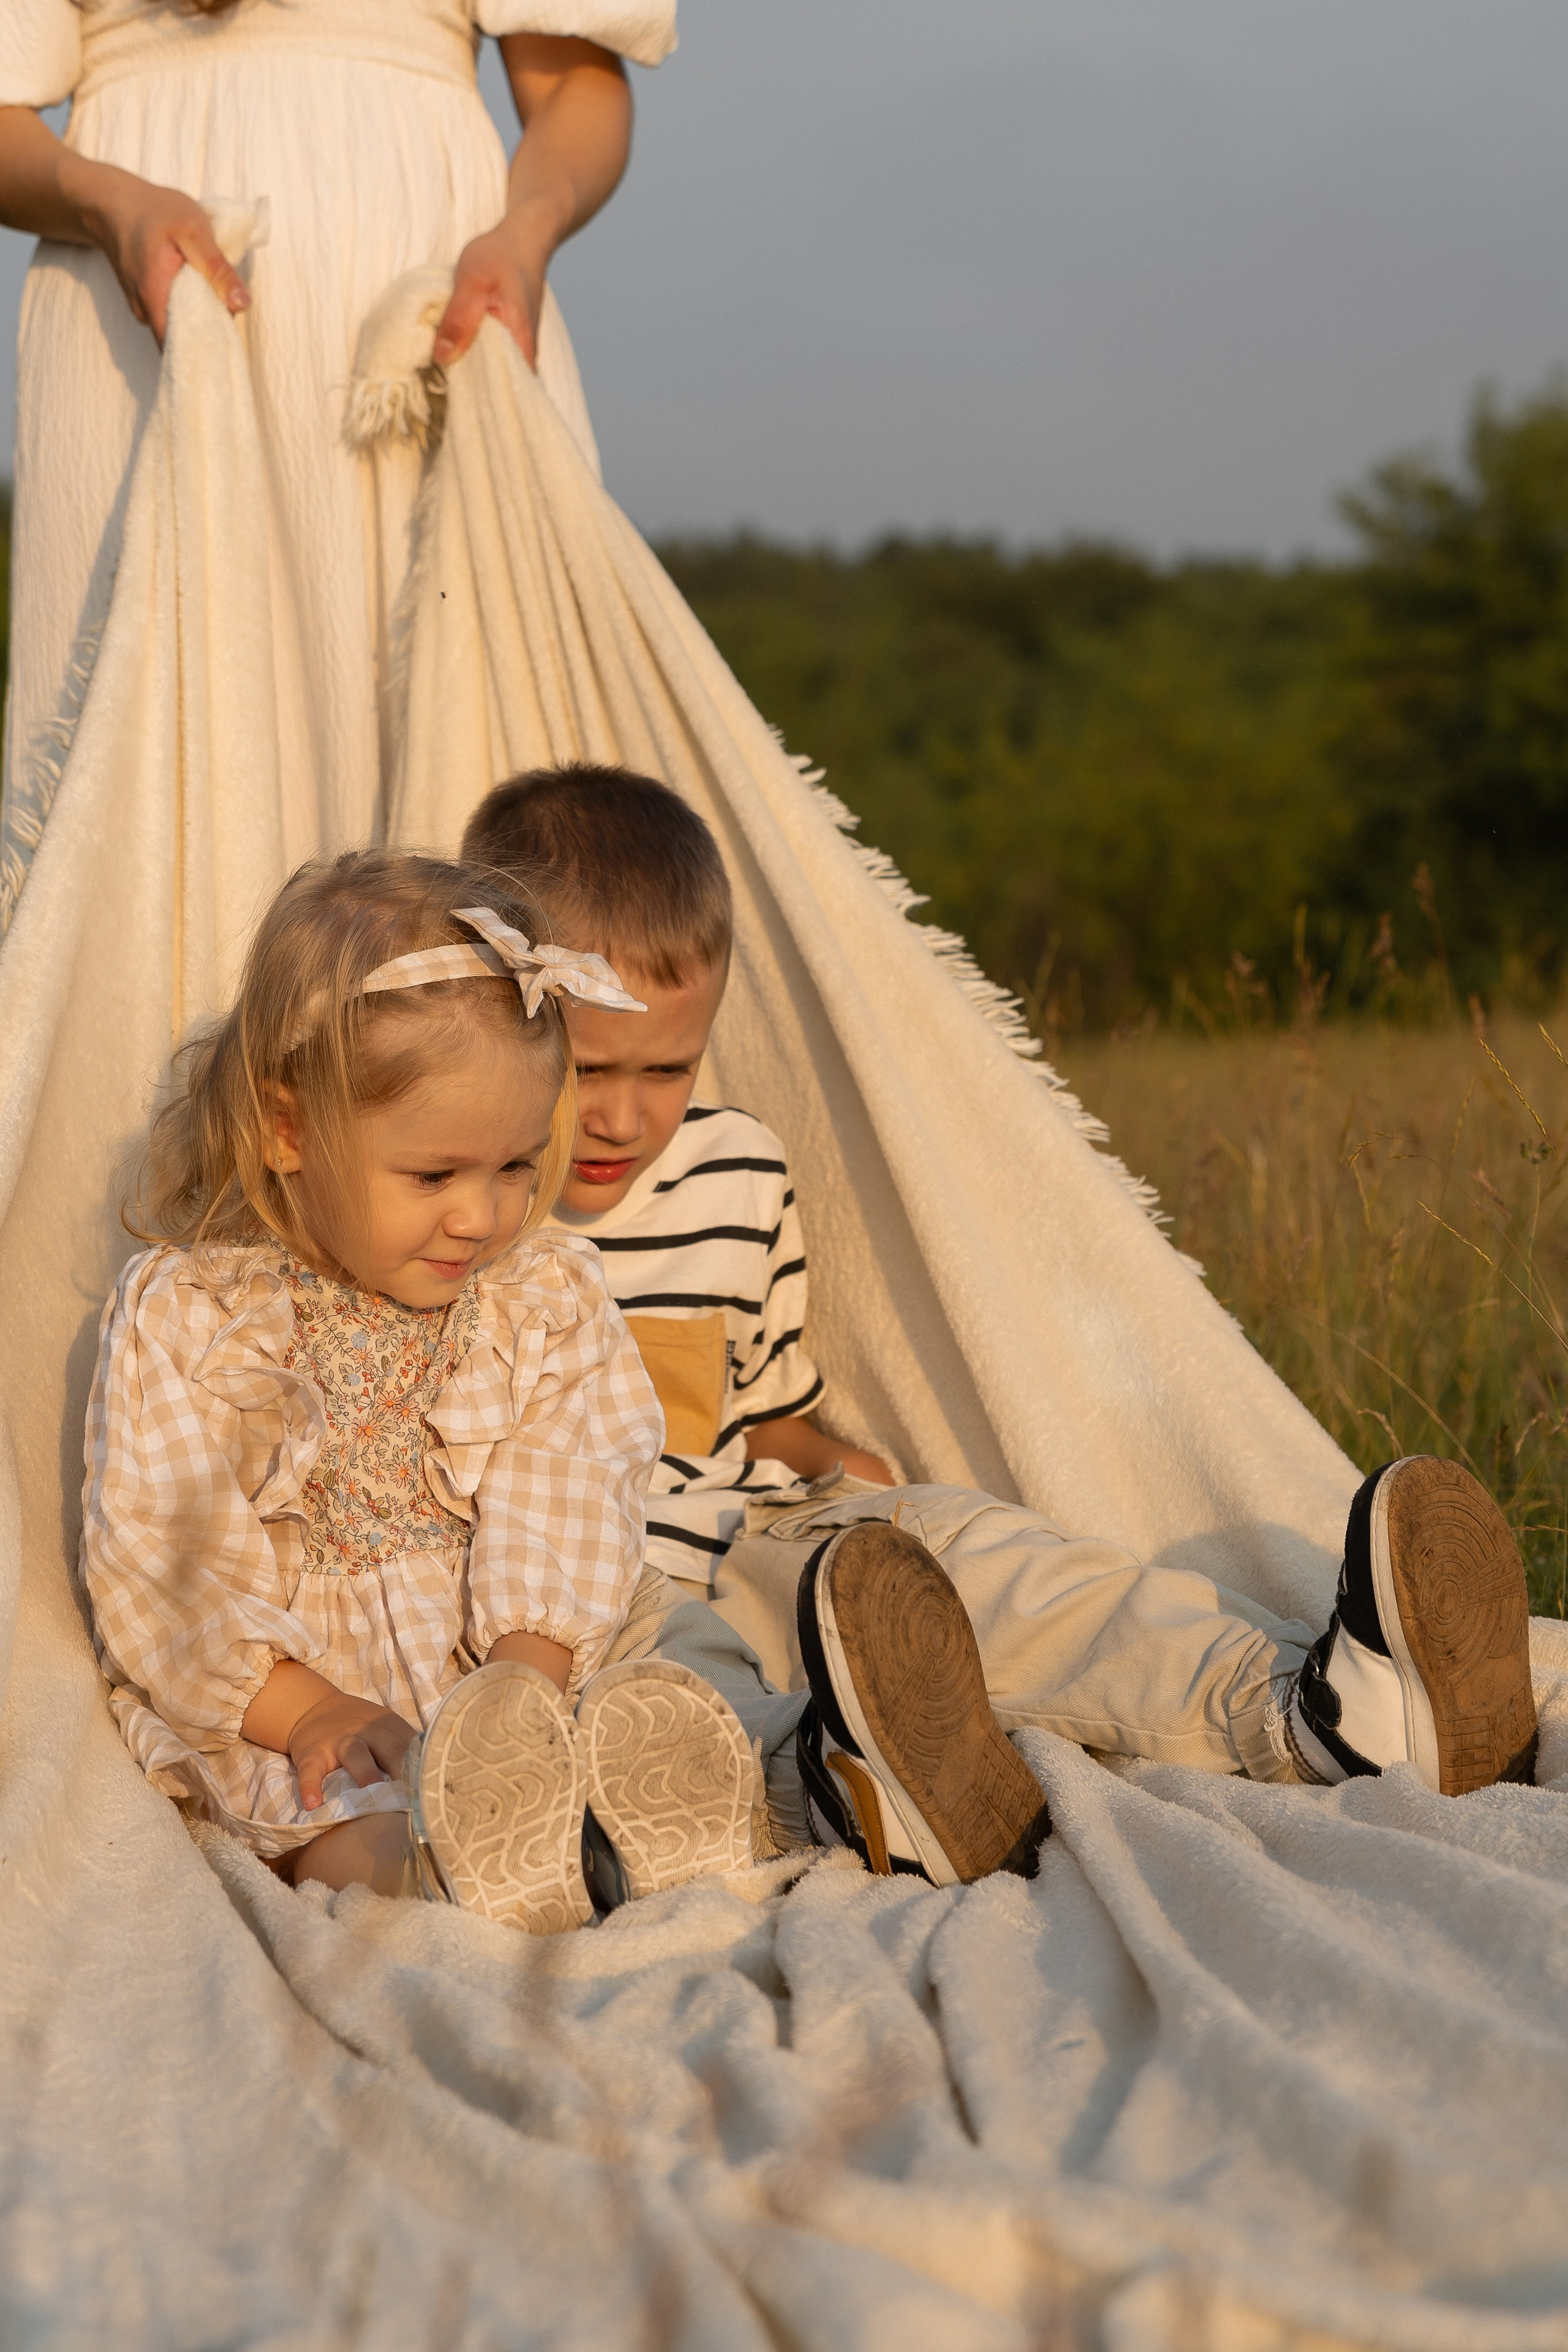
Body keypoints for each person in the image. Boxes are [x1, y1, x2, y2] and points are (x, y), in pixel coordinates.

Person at [461, 763, 1541, 1883]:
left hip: (765, 1521)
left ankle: (1310, 1709)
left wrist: (845, 1467)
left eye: (669, 1068)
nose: (626, 1115)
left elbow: (765, 1401)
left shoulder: (739, 1171)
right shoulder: (461, 1209)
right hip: (604, 1591)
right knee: (689, 1710)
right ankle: (857, 1790)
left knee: (996, 1558)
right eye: (589, 1070)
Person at [78, 846, 770, 1933]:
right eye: (436, 1175)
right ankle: (466, 1883)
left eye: (512, 1166)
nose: (481, 1217)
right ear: (288, 1128)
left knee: (684, 1669)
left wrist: (523, 1687)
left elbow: (574, 1479)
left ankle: (736, 1806)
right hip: (308, 1700)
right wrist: (304, 1707)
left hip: (523, 1660)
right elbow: (163, 1557)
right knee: (347, 1823)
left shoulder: (537, 1291)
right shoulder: (193, 1312)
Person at [0, 2, 673, 917]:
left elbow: (571, 85)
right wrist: (107, 201)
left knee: (476, 794)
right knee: (139, 799)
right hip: (136, 320)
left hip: (429, 316)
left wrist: (527, 231)